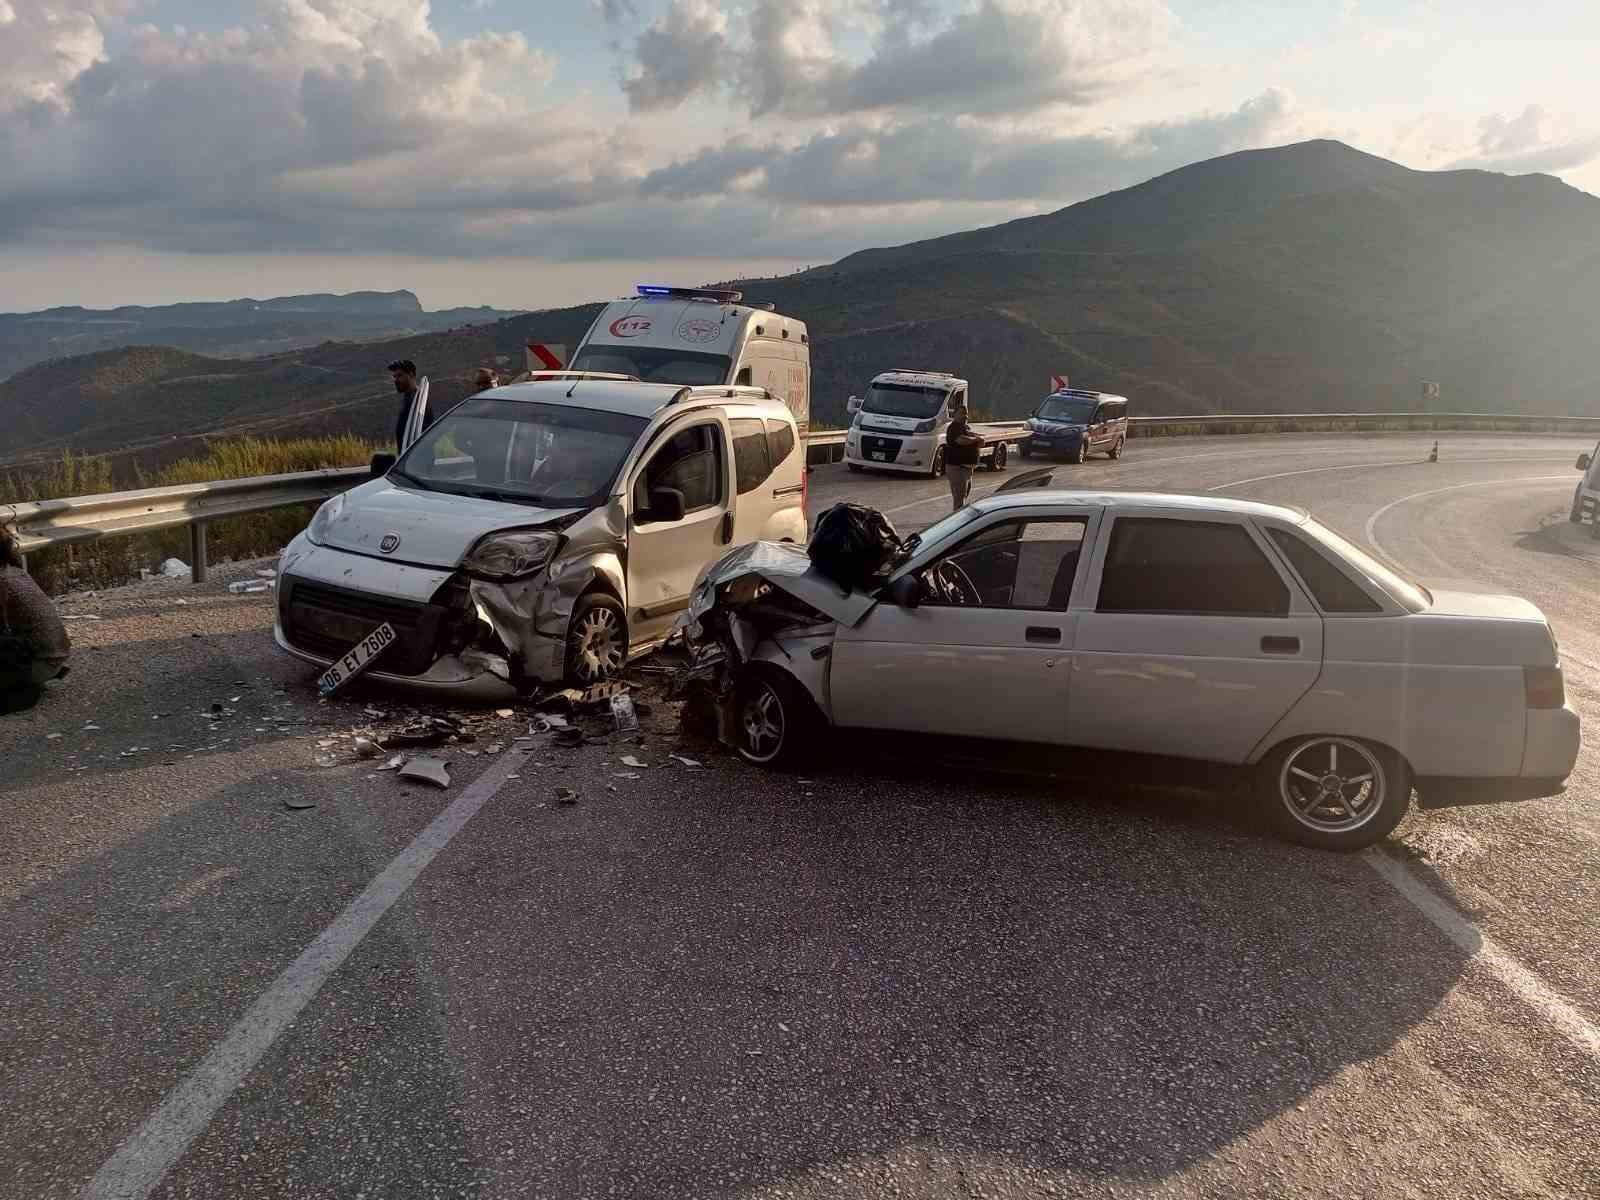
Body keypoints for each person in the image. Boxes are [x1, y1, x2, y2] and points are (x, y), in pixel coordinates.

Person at [0, 529, 70, 714]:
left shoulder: (2, 580)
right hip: (52, 660)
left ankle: (18, 685)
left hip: (38, 665)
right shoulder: (13, 570)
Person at [944, 399, 983, 512]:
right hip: (957, 468)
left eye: (966, 413)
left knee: (963, 495)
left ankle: (958, 519)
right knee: (959, 499)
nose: (965, 416)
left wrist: (977, 438)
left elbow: (974, 439)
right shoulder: (953, 427)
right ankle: (956, 523)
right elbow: (961, 440)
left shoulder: (965, 428)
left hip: (966, 469)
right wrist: (976, 439)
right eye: (962, 413)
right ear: (954, 414)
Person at [389, 359, 421, 450]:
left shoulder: (418, 401)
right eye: (394, 377)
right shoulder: (409, 398)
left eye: (399, 376)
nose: (396, 380)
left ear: (411, 375)